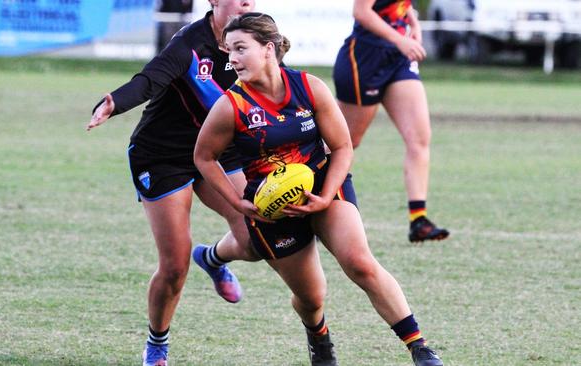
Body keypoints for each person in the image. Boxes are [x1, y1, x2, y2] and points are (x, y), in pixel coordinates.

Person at [194, 12, 443, 366]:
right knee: (312, 298)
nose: (231, 59)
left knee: (360, 263)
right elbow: (204, 157)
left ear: (268, 49)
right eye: (228, 51)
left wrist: (326, 196)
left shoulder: (309, 87)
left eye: (240, 49)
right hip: (273, 209)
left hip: (324, 184)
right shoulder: (230, 106)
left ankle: (419, 348)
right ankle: (319, 336)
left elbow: (342, 147)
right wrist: (236, 201)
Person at [86, 1, 261, 365]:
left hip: (215, 150)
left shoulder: (254, 37)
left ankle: (211, 259)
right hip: (163, 154)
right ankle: (157, 345)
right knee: (175, 265)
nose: (248, 3)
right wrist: (113, 103)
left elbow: (278, 83)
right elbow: (150, 79)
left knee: (255, 237)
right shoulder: (190, 44)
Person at [333, 0, 449, 243]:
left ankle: (419, 220)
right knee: (344, 142)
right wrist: (400, 39)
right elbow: (361, 12)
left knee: (419, 138)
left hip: (398, 59)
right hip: (365, 59)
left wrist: (413, 22)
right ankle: (313, 206)